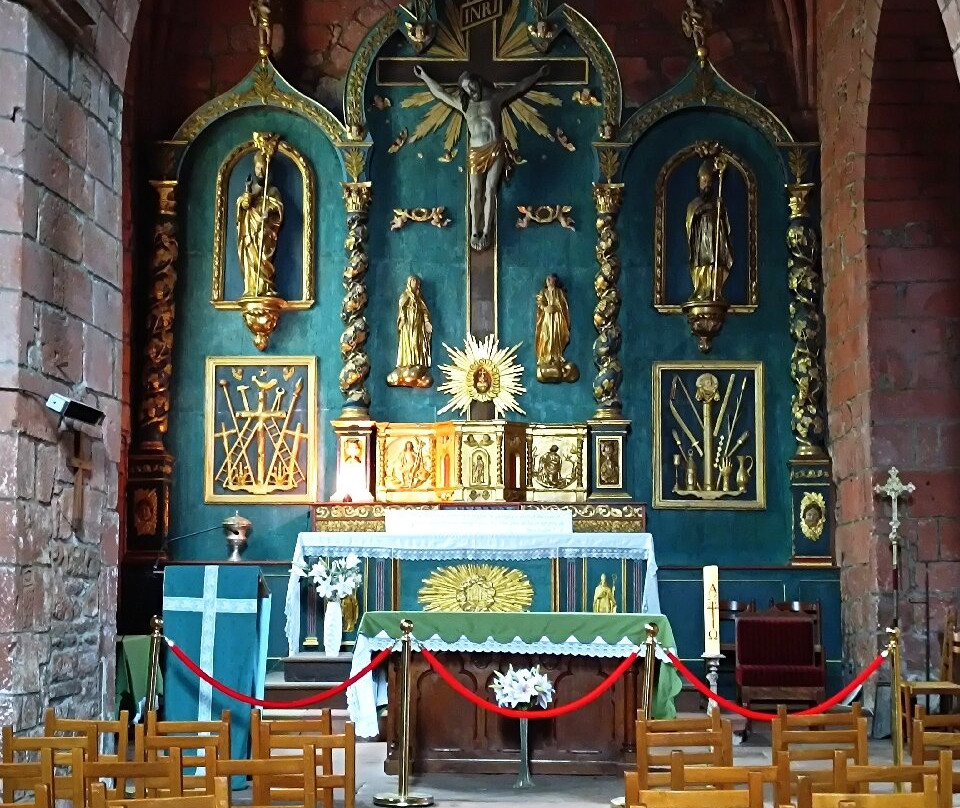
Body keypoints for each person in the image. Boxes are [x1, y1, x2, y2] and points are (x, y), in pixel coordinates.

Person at [413, 63, 549, 252]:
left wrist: (537, 75)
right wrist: (425, 77)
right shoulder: (464, 105)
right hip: (475, 151)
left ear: (478, 82)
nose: (471, 90)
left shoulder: (495, 98)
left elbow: (518, 87)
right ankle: (474, 231)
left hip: (494, 147)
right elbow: (440, 93)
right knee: (475, 191)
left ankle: (486, 231)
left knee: (490, 190)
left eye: (472, 84)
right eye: (466, 88)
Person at [236, 148, 284, 298]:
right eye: (258, 168)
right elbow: (243, 205)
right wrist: (246, 199)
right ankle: (251, 288)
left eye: (263, 168)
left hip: (264, 229)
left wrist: (268, 211)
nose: (260, 171)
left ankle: (264, 286)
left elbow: (278, 208)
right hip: (250, 230)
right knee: (250, 256)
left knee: (263, 255)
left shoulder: (273, 191)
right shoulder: (251, 189)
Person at [686, 157, 733, 302]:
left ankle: (714, 290)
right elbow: (690, 220)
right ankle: (701, 289)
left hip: (715, 236)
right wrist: (702, 210)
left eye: (708, 181)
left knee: (715, 261)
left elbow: (725, 223)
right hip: (701, 238)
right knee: (702, 262)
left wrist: (720, 210)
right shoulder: (694, 204)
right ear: (699, 183)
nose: (706, 184)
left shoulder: (717, 202)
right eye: (704, 181)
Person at [387, 275, 433, 388]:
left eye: (416, 282)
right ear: (409, 283)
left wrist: (427, 322)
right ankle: (406, 364)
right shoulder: (405, 295)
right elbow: (401, 308)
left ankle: (417, 363)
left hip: (418, 326)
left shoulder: (419, 297)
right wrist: (403, 319)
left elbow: (424, 311)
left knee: (417, 344)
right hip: (408, 326)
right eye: (413, 282)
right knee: (408, 343)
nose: (415, 284)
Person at [534, 273, 578, 383]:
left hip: (557, 319)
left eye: (551, 278)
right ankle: (546, 357)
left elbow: (564, 306)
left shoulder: (559, 292)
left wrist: (556, 308)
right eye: (547, 279)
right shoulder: (543, 292)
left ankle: (556, 357)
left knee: (556, 336)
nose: (549, 280)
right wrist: (545, 308)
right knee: (546, 336)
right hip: (546, 319)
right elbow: (540, 301)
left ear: (555, 280)